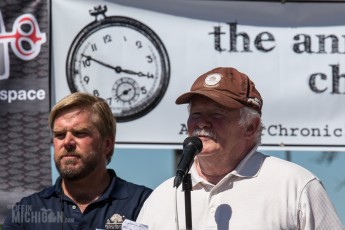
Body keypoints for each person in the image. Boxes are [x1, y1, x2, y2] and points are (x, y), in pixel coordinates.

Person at [136, 67, 344, 229]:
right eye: (196, 114)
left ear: (250, 127)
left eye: (217, 114)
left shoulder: (294, 186)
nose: (203, 123)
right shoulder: (163, 197)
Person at [3, 92, 152, 230]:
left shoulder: (143, 203)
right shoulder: (27, 210)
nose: (67, 142)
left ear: (106, 144)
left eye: (79, 133)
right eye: (60, 135)